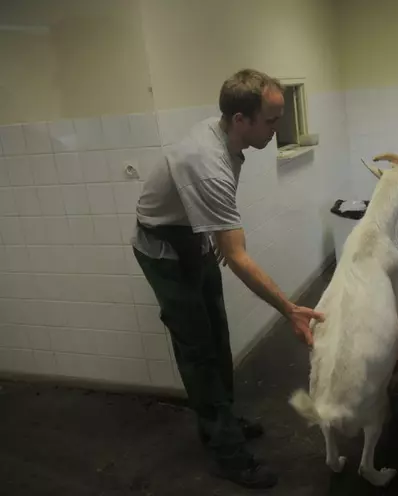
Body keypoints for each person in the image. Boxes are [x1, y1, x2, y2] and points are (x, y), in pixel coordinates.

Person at [131, 68, 323, 490]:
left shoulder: (227, 137)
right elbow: (238, 257)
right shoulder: (207, 162)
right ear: (241, 120)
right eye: (271, 121)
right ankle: (227, 455)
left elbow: (221, 231)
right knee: (198, 351)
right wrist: (288, 307)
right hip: (164, 252)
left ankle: (222, 420)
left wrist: (211, 236)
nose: (277, 130)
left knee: (217, 334)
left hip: (192, 239)